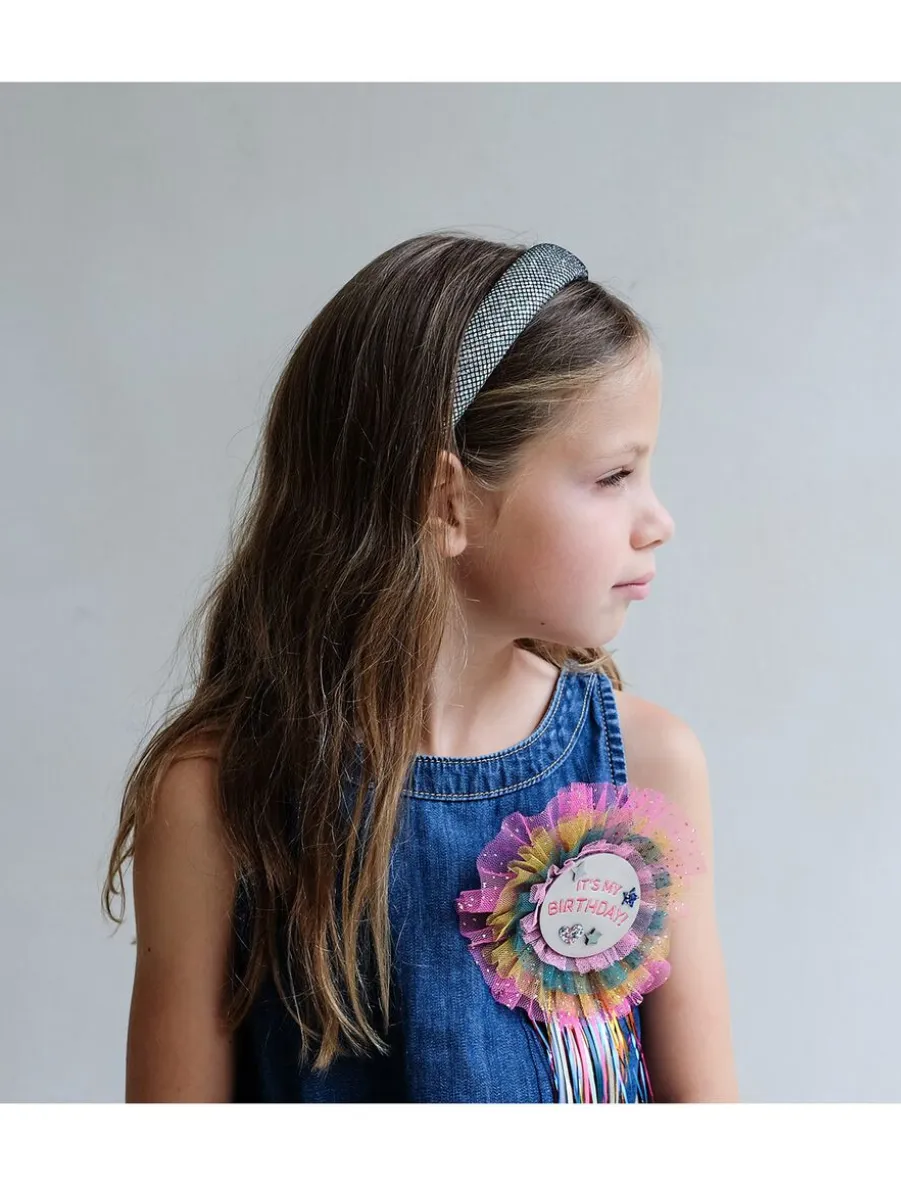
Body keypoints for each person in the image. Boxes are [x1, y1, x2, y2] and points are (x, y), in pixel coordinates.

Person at [102, 232, 738, 1103]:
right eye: (613, 475)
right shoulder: (216, 796)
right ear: (447, 500)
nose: (657, 519)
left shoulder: (651, 766)